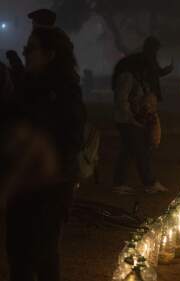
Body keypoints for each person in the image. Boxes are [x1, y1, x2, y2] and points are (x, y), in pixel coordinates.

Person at [5, 27, 86, 281]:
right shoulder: (26, 85)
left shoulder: (64, 92)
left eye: (30, 49)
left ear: (49, 54)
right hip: (22, 184)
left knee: (42, 253)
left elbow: (67, 138)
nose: (24, 53)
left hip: (50, 185)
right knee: (18, 252)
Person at [112, 49, 167, 194]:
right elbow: (121, 100)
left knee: (128, 151)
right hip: (128, 121)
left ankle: (119, 183)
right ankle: (149, 182)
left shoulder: (137, 78)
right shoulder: (127, 77)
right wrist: (131, 117)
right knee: (140, 150)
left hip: (133, 119)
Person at [112, 36, 173, 102]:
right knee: (125, 103)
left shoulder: (149, 59)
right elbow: (149, 75)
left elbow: (156, 73)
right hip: (129, 84)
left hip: (135, 88)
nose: (157, 51)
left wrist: (166, 70)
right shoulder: (142, 59)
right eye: (156, 48)